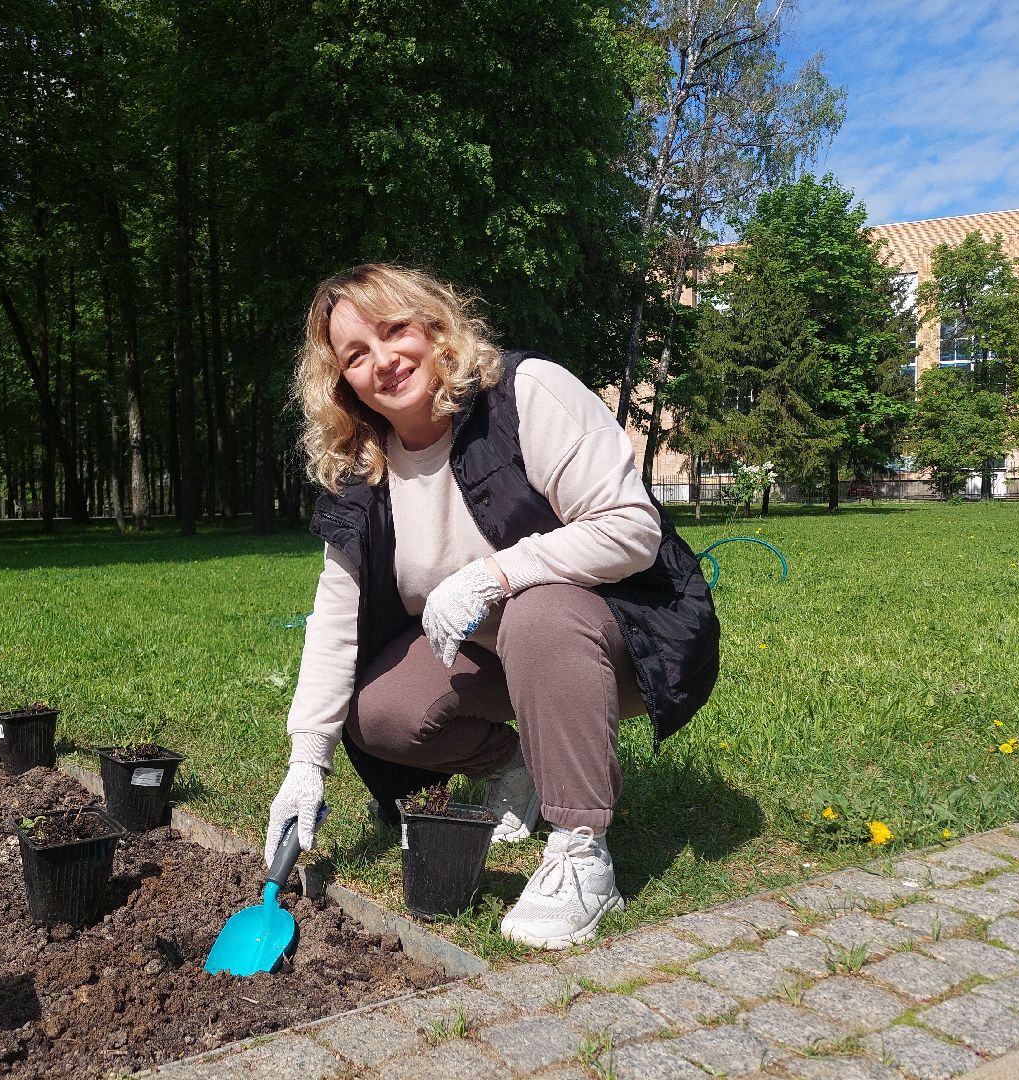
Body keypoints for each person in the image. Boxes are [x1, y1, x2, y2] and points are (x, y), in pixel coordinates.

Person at [264, 264, 719, 949]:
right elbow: (335, 621)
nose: (383, 361)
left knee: (539, 610)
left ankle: (581, 850)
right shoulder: (363, 469)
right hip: (496, 656)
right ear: (340, 382)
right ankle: (520, 765)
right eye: (356, 354)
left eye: (394, 330)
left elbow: (631, 528)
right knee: (379, 711)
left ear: (433, 325)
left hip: (621, 638)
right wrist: (306, 760)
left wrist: (493, 575)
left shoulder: (525, 393)